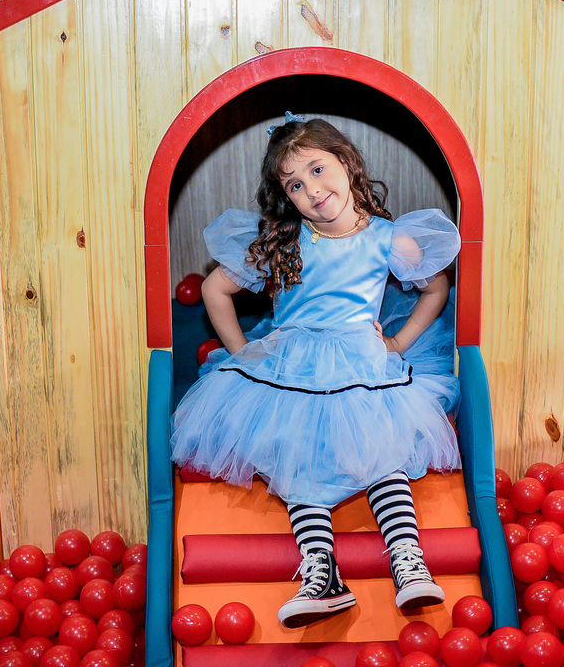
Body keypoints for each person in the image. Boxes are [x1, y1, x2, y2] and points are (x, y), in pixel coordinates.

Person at [170, 116, 462, 628]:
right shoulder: (285, 240)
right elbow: (215, 289)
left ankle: (408, 560)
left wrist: (397, 342)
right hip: (293, 365)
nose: (311, 190)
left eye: (317, 169)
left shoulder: (387, 238)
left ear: (346, 162)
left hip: (360, 363)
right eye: (295, 185)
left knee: (379, 449)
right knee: (298, 456)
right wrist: (240, 352)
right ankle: (322, 575)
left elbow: (436, 287)